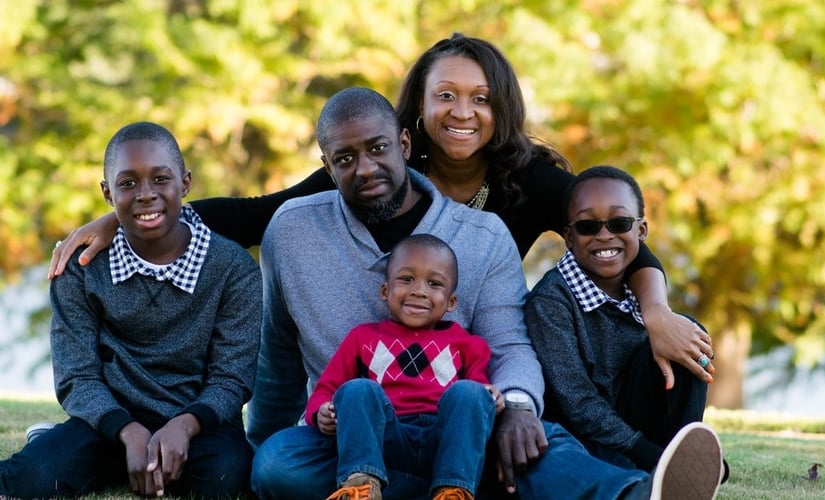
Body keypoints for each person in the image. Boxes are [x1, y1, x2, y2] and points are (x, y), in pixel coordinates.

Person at [48, 34, 716, 397]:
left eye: (480, 98)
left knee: (547, 329)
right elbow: (257, 216)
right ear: (414, 112)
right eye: (445, 95)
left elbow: (612, 234)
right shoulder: (376, 169)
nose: (462, 112)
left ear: (501, 106)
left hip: (477, 356)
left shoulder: (531, 178)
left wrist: (656, 310)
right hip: (384, 363)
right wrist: (141, 218)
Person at [247, 87, 722, 499]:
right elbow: (279, 360)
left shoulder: (483, 235)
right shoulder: (292, 231)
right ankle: (464, 490)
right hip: (353, 435)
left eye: (378, 148)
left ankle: (634, 494)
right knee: (277, 465)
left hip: (460, 427)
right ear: (327, 167)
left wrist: (516, 406)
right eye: (346, 159)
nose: (365, 169)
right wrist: (261, 446)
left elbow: (509, 344)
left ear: (405, 144)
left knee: (531, 441)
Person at [0, 122, 261, 498]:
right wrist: (127, 430)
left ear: (185, 184)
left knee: (229, 476)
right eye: (127, 184)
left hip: (199, 426)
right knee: (36, 476)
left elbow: (232, 378)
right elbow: (77, 376)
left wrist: (185, 426)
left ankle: (144, 458)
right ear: (107, 193)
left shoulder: (233, 268)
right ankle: (81, 448)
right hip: (109, 425)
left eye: (160, 179)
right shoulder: (81, 268)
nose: (145, 194)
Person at [525, 165, 715, 475]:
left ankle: (685, 454)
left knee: (687, 330)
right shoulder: (550, 302)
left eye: (619, 222)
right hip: (582, 440)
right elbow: (579, 404)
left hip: (639, 430)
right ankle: (667, 465)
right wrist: (649, 454)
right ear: (569, 236)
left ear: (640, 230)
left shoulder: (642, 291)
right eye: (588, 226)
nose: (604, 235)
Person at [309, 233, 504, 500]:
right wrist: (319, 412)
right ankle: (361, 487)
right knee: (356, 389)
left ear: (451, 302)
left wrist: (490, 396)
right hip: (385, 439)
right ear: (385, 290)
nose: (419, 291)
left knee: (470, 393)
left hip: (444, 440)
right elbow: (326, 389)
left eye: (434, 283)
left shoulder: (468, 345)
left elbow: (477, 398)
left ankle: (452, 491)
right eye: (407, 279)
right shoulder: (362, 338)